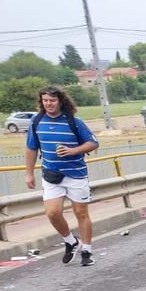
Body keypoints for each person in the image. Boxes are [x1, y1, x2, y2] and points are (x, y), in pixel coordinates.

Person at [23, 85, 99, 267]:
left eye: (52, 100)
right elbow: (31, 148)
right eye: (45, 100)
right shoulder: (36, 121)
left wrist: (74, 150)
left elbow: (93, 143)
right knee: (52, 213)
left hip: (76, 174)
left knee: (81, 213)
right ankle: (70, 240)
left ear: (60, 101)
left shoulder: (74, 121)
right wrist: (29, 173)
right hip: (51, 175)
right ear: (41, 102)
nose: (49, 103)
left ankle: (87, 251)